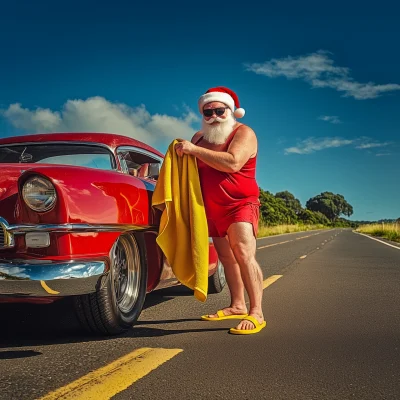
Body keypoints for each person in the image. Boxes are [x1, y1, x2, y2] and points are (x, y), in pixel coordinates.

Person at [175, 86, 265, 334]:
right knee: (226, 258)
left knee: (244, 253)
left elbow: (234, 163)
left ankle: (256, 312)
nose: (214, 115)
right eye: (208, 112)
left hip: (240, 203)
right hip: (211, 207)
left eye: (219, 110)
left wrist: (193, 150)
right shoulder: (198, 138)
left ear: (231, 111)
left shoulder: (243, 133)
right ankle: (237, 305)